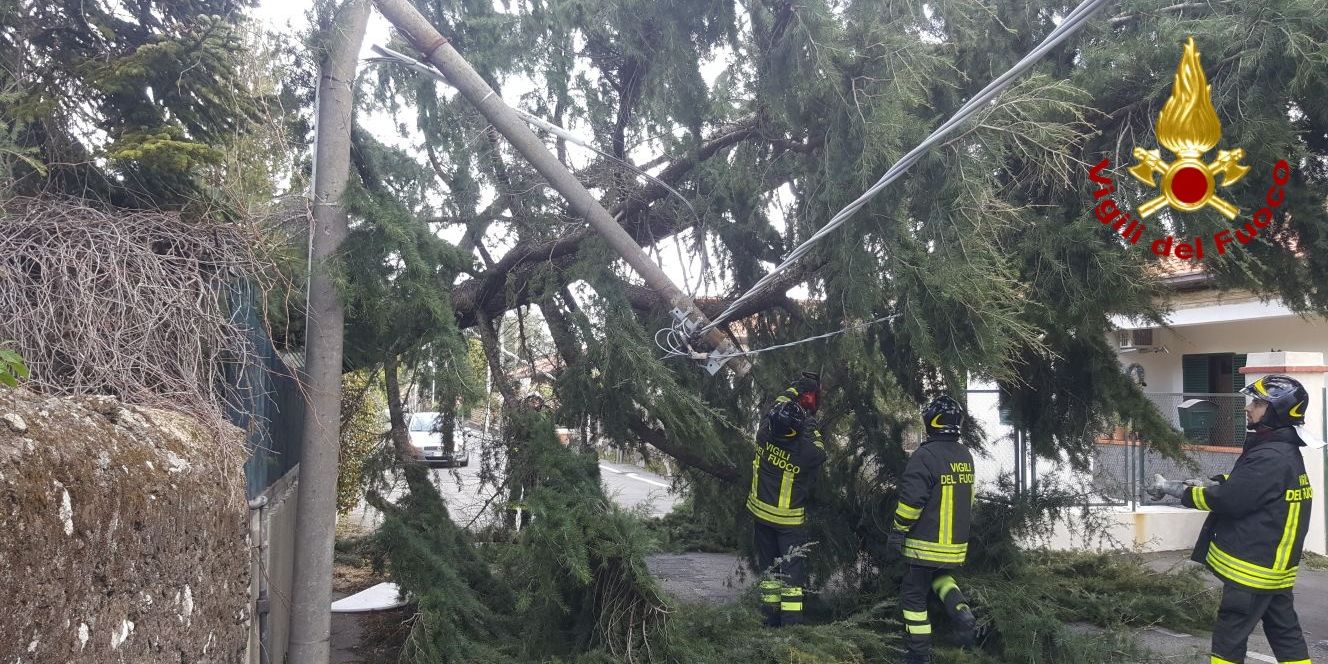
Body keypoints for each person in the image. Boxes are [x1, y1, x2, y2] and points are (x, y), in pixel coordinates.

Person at [1149, 375, 1314, 664]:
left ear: (1276, 412)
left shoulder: (1271, 455)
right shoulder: (1282, 450)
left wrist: (1181, 491)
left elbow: (1230, 500)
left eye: (1258, 403)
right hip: (1274, 571)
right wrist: (1215, 482)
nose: (1248, 408)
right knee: (1285, 635)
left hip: (1251, 570)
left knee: (1229, 640)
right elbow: (1256, 488)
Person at [887, 395, 977, 664]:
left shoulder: (925, 456)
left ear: (931, 422)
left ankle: (918, 654)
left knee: (914, 598)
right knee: (941, 579)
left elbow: (911, 503)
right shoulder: (965, 455)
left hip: (924, 545)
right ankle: (960, 609)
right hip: (954, 546)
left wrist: (897, 531)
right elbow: (969, 499)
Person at [747, 371, 827, 627]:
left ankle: (768, 619)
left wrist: (794, 390)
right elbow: (820, 450)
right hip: (788, 523)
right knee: (792, 576)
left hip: (761, 516)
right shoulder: (806, 453)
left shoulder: (763, 434)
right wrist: (810, 425)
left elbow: (775, 406)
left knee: (769, 570)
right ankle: (791, 627)